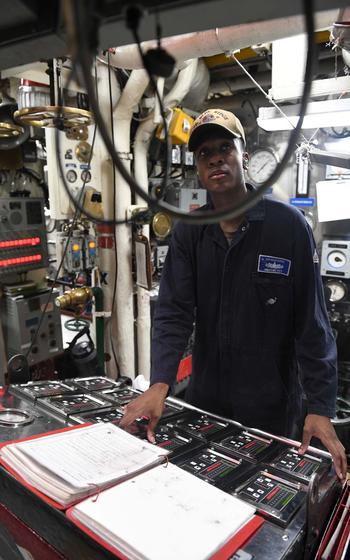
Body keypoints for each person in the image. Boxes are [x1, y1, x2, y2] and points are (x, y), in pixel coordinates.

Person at [120, 108, 347, 480]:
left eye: (225, 147)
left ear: (243, 155)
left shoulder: (287, 227)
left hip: (271, 408)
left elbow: (312, 323)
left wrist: (320, 406)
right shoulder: (189, 231)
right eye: (205, 153)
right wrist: (160, 381)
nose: (216, 158)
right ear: (197, 165)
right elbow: (174, 312)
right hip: (206, 401)